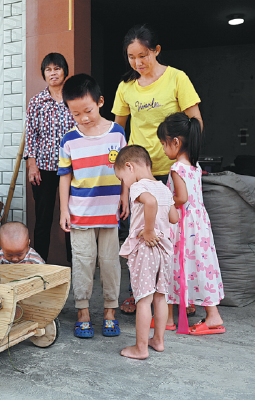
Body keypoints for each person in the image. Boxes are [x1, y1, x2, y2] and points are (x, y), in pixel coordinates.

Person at [112, 24, 202, 315]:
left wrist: (185, 162)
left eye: (143, 55)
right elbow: (118, 132)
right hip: (139, 174)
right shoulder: (126, 86)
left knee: (174, 234)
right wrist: (123, 180)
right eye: (131, 57)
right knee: (139, 234)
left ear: (156, 50)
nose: (137, 62)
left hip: (171, 170)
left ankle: (178, 294)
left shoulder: (177, 78)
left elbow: (196, 122)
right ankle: (138, 293)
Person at [59, 74, 128, 338]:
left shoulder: (117, 132)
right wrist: (64, 210)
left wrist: (125, 195)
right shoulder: (69, 139)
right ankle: (83, 312)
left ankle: (110, 311)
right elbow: (64, 176)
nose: (84, 118)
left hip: (109, 212)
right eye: (76, 114)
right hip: (80, 212)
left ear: (100, 102)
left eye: (88, 110)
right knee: (82, 262)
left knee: (110, 263)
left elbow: (126, 169)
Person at [157, 112, 225, 335]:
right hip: (199, 226)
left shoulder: (177, 169)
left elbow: (182, 198)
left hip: (184, 227)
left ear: (176, 142)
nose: (163, 149)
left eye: (164, 144)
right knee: (201, 267)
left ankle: (207, 316)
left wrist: (166, 200)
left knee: (173, 266)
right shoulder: (194, 165)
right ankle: (206, 313)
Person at [115, 145, 179, 359]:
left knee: (143, 298)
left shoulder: (138, 187)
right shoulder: (163, 188)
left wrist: (149, 230)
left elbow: (150, 202)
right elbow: (174, 218)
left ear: (129, 167)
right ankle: (158, 341)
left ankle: (141, 348)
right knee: (160, 297)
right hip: (164, 249)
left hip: (146, 247)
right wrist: (159, 225)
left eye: (121, 178)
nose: (124, 183)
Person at [23, 53, 76, 262]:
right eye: (48, 69)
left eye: (57, 68)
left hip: (73, 168)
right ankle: (40, 264)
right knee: (43, 218)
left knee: (73, 216)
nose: (53, 73)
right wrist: (32, 165)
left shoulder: (74, 98)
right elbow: (31, 134)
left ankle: (75, 265)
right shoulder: (37, 101)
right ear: (44, 74)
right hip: (44, 168)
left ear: (65, 71)